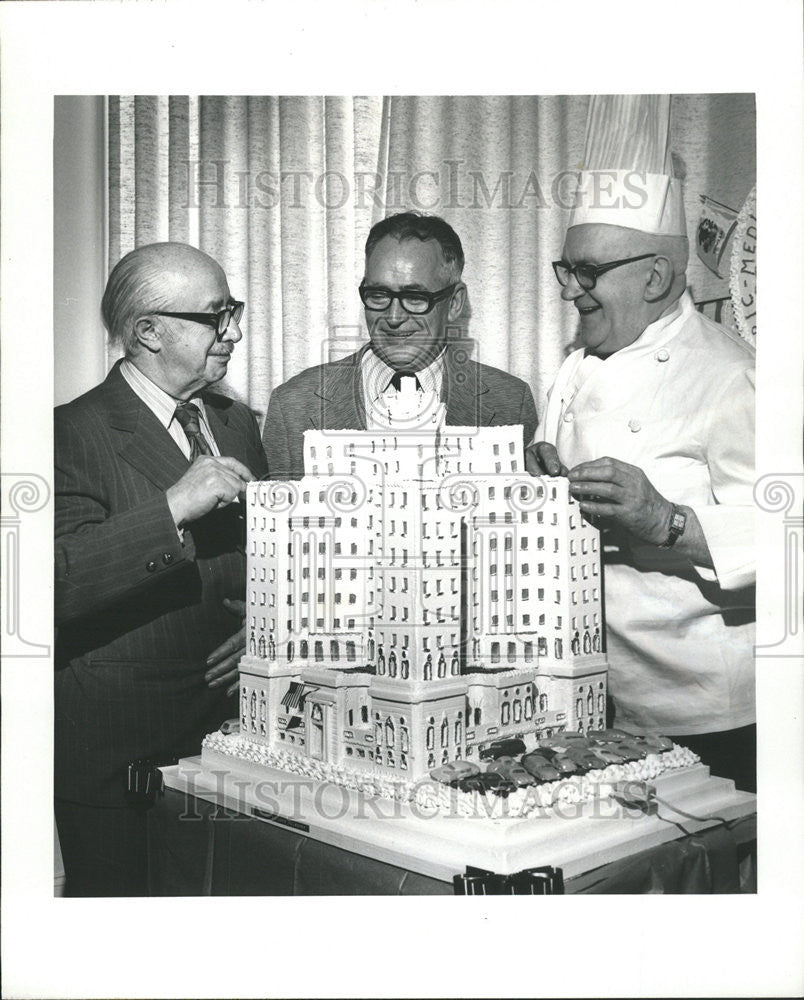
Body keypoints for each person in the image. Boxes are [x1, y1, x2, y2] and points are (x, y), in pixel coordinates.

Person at [527, 157, 756, 791]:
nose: (570, 290)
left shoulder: (729, 375)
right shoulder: (577, 366)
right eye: (567, 270)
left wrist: (667, 520)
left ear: (656, 276)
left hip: (707, 710)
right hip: (592, 696)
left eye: (588, 272)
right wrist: (537, 480)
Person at [55, 242, 269, 895]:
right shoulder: (70, 433)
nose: (232, 330)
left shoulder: (235, 425)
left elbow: (263, 558)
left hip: (232, 749)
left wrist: (264, 632)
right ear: (149, 331)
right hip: (124, 761)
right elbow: (51, 585)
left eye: (232, 311)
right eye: (215, 314)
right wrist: (175, 504)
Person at [263, 212, 538, 479]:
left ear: (454, 303)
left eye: (415, 297)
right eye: (379, 294)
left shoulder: (510, 403)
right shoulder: (293, 406)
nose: (394, 317)